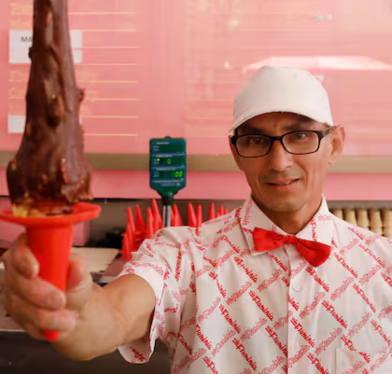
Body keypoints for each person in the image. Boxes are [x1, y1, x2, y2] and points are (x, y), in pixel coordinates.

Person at [2, 66, 392, 373]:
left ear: (335, 145)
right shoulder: (183, 253)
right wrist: (68, 308)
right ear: (236, 152)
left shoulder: (384, 266)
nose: (279, 162)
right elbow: (112, 317)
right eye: (256, 140)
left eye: (301, 136)